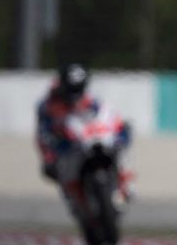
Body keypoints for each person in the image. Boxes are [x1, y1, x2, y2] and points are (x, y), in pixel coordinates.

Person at [36, 63, 133, 206]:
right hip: (69, 146)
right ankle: (75, 199)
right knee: (62, 169)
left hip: (95, 139)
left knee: (122, 142)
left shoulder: (93, 99)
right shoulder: (50, 103)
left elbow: (107, 116)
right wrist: (49, 156)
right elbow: (43, 133)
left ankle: (124, 184)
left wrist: (117, 132)